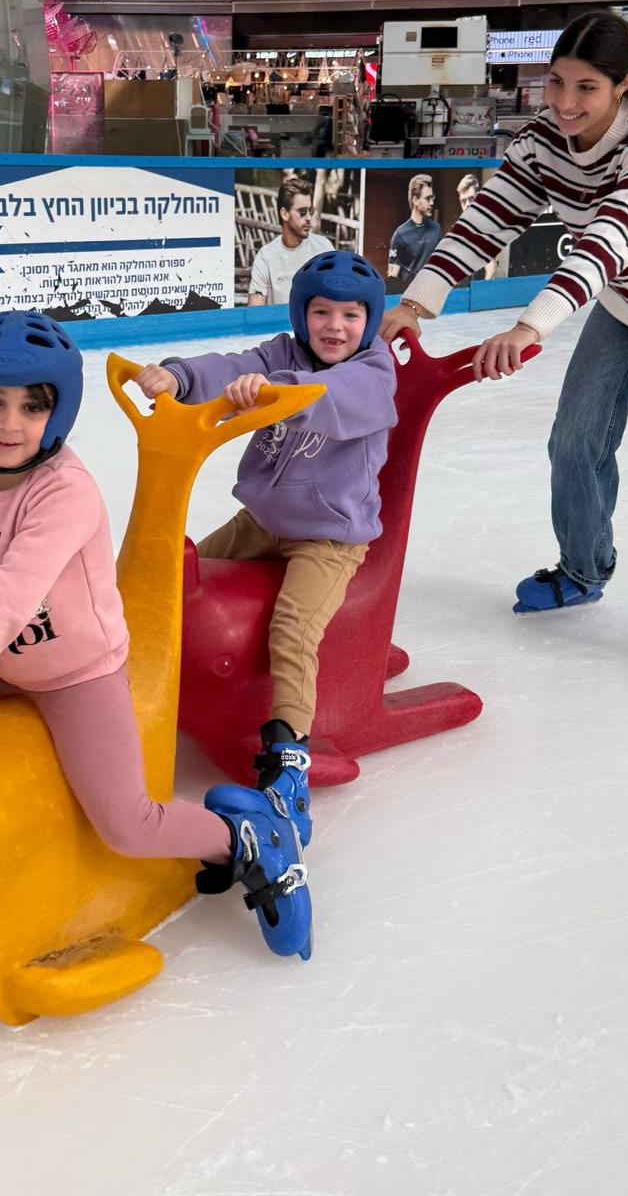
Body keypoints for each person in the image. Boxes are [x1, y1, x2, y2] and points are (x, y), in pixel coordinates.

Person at [0, 311, 312, 960]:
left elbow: (6, 601)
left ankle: (253, 839)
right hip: (0, 661)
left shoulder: (65, 492)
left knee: (129, 824)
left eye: (33, 406)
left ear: (58, 413)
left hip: (77, 674)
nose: (9, 423)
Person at [379, 11, 628, 613]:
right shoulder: (542, 140)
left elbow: (611, 237)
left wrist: (529, 326)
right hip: (626, 300)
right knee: (574, 440)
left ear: (624, 83)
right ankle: (583, 568)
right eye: (556, 82)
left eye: (586, 87)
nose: (565, 103)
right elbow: (487, 219)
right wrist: (416, 302)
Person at [135, 250, 396, 856]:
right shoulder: (282, 353)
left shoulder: (374, 371)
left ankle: (288, 765)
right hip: (262, 521)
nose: (335, 327)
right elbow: (234, 366)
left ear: (369, 321)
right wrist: (179, 378)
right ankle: (136, 683)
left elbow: (333, 395)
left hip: (329, 537)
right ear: (301, 315)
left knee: (292, 629)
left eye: (351, 315)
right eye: (321, 312)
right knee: (176, 581)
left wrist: (277, 390)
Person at [247, 175, 333, 306]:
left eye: (310, 211)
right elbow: (254, 310)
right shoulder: (266, 257)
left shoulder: (323, 248)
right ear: (284, 214)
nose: (309, 218)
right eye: (302, 212)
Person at [387, 174, 442, 292]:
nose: (432, 203)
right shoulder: (400, 234)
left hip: (432, 293)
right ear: (415, 200)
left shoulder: (436, 229)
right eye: (428, 198)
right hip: (409, 294)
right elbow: (392, 277)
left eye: (432, 198)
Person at [457, 173, 496, 283]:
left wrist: (483, 289)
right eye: (463, 201)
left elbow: (491, 268)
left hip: (477, 287)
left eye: (471, 199)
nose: (467, 204)